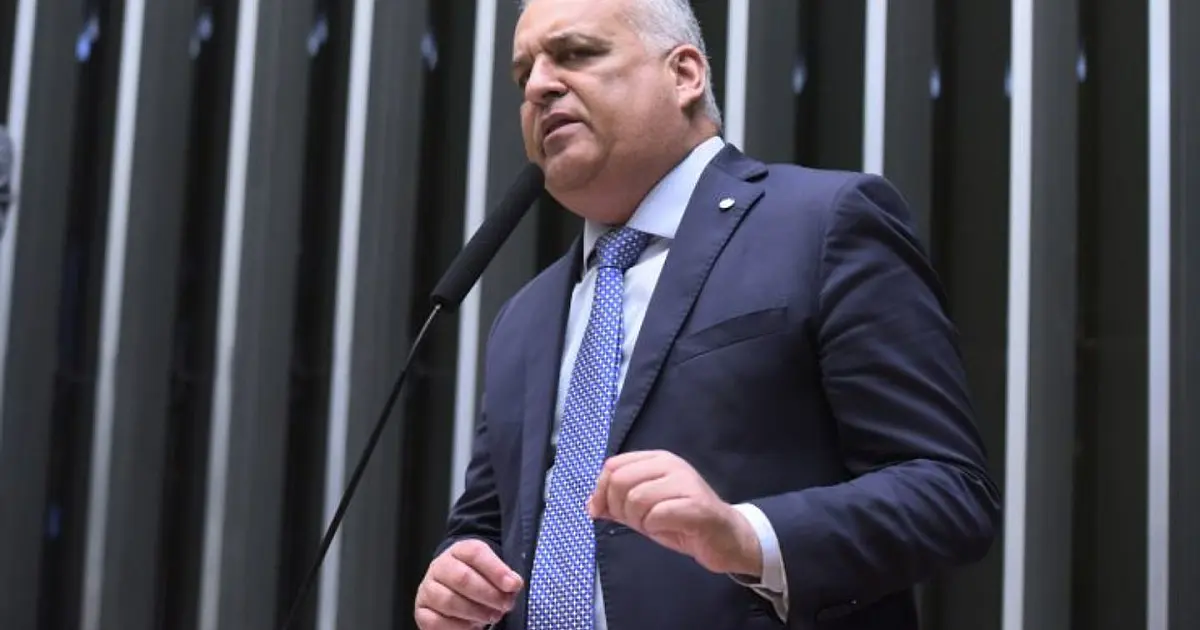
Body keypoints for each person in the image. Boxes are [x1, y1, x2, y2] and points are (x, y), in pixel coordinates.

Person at [414, 0, 1001, 628]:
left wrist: (746, 537)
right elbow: (484, 528)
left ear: (685, 74)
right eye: (523, 74)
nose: (538, 86)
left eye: (576, 53)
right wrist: (458, 578)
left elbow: (948, 492)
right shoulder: (523, 318)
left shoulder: (824, 223)